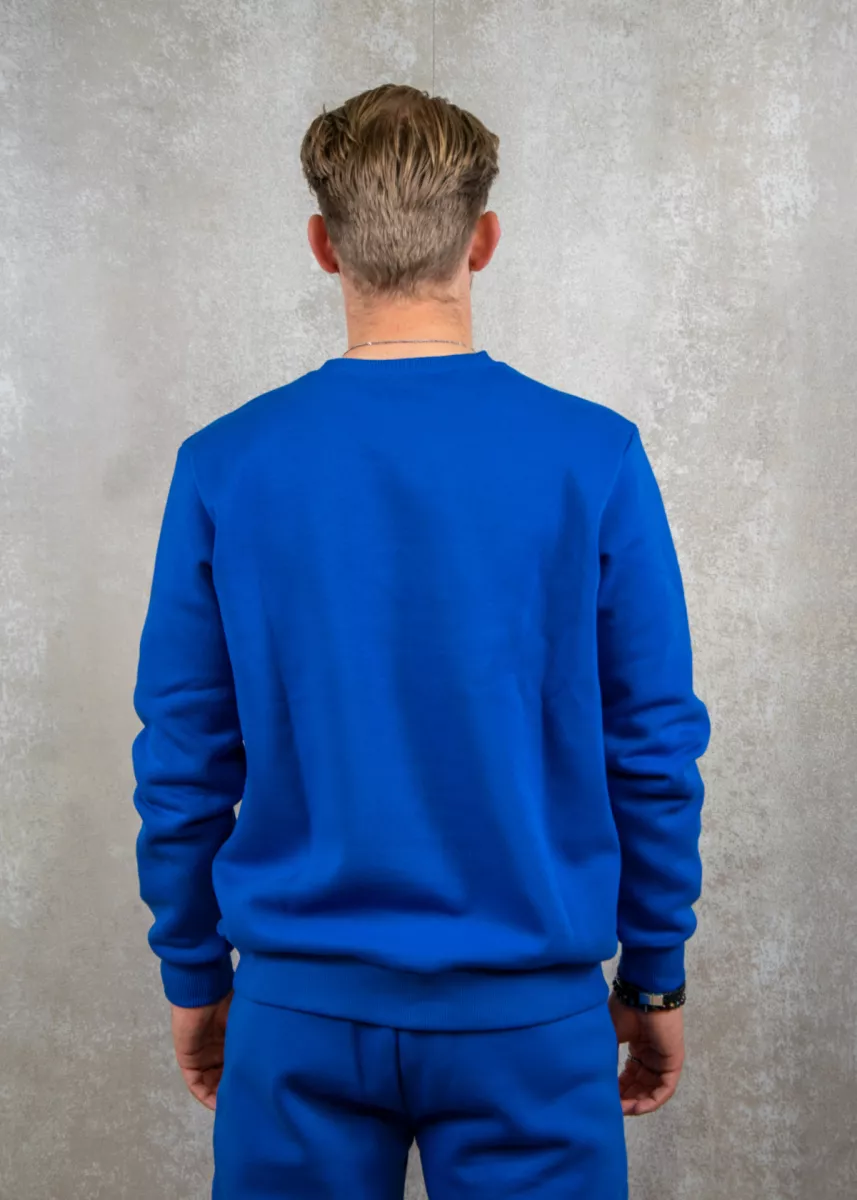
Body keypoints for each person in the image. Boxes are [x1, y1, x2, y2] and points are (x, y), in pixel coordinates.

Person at [131, 82, 711, 1199]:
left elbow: (185, 755)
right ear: (482, 240)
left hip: (295, 1018)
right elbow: (650, 747)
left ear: (322, 244)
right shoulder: (592, 456)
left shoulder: (225, 464)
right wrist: (652, 977)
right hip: (530, 1023)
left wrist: (193, 970)